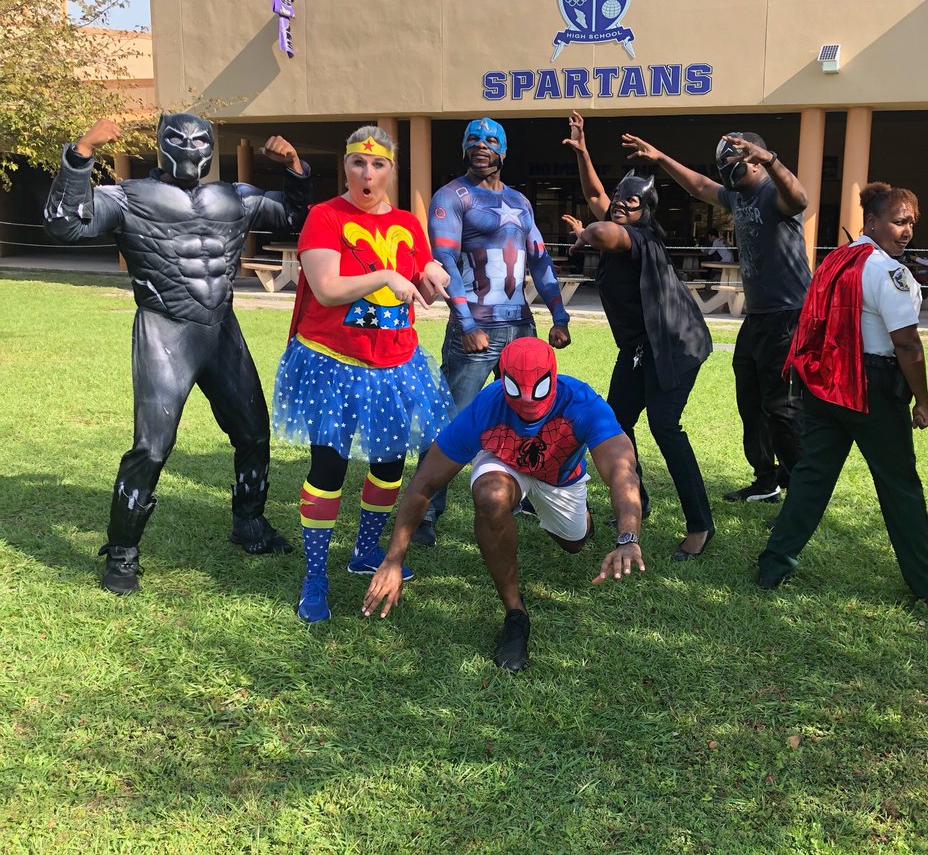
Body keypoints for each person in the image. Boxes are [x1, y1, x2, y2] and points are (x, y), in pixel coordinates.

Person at [43, 113, 311, 595]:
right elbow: (65, 225)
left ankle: (249, 523)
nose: (189, 147)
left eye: (200, 139)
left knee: (253, 431)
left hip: (220, 326)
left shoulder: (234, 197)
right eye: (178, 138)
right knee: (151, 446)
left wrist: (294, 166)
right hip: (165, 325)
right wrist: (81, 154)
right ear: (161, 143)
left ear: (213, 145)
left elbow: (297, 217)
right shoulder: (129, 197)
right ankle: (123, 553)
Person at [362, 338, 644, 672]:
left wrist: (628, 536)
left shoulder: (581, 403)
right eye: (515, 389)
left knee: (574, 543)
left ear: (553, 378)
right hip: (504, 465)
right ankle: (515, 613)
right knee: (491, 495)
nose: (526, 401)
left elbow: (622, 471)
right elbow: (424, 483)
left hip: (559, 478)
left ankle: (575, 517)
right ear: (501, 379)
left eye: (537, 390)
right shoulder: (486, 407)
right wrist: (393, 559)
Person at [272, 125, 457, 622]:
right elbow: (328, 289)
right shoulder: (324, 216)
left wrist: (432, 273)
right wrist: (387, 277)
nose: (367, 174)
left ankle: (366, 552)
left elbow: (420, 267)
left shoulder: (405, 222)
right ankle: (315, 575)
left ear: (392, 170)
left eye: (378, 165)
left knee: (389, 466)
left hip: (396, 366)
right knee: (328, 469)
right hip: (334, 364)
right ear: (346, 166)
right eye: (358, 163)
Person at [755, 182, 928, 606]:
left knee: (810, 478)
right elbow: (907, 344)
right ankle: (926, 587)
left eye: (912, 222)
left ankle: (774, 565)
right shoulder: (884, 270)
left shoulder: (836, 258)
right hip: (869, 386)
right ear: (871, 222)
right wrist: (923, 401)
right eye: (898, 221)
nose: (907, 230)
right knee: (899, 486)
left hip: (824, 383)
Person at [621, 128, 810, 506]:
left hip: (789, 314)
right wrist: (660, 158)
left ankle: (804, 493)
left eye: (736, 161)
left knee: (783, 409)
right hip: (757, 317)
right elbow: (701, 187)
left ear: (756, 158)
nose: (729, 170)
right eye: (724, 164)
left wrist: (771, 161)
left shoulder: (774, 191)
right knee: (749, 400)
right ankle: (766, 479)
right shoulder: (737, 196)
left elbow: (800, 197)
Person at [563, 111, 715, 560]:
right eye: (620, 201)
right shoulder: (615, 218)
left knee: (665, 427)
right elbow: (595, 196)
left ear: (645, 213)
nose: (621, 206)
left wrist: (585, 234)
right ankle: (638, 500)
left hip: (676, 345)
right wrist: (583, 150)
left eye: (632, 204)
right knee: (616, 421)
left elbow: (605, 231)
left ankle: (700, 524)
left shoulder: (640, 240)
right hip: (638, 349)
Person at [420, 117, 572, 545]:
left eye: (490, 141)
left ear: (503, 152)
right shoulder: (452, 196)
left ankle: (519, 493)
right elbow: (446, 261)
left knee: (526, 414)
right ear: (463, 148)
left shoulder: (520, 202)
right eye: (473, 140)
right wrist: (466, 323)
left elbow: (540, 260)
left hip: (521, 327)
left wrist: (559, 316)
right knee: (452, 421)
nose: (480, 146)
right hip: (477, 330)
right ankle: (428, 508)